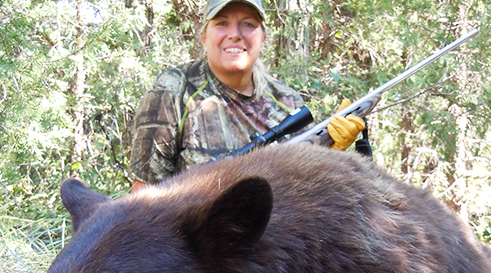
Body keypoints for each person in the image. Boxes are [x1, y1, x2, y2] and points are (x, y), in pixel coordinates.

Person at [129, 0, 365, 184]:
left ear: (263, 39)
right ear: (203, 37)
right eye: (221, 23)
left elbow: (306, 192)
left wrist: (332, 155)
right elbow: (145, 196)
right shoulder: (175, 89)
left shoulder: (288, 102)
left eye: (248, 24)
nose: (235, 34)